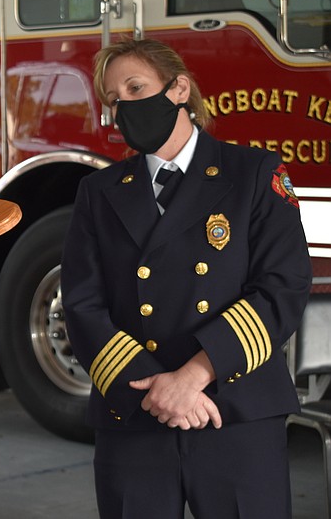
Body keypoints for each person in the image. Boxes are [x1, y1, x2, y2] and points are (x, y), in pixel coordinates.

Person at [61, 38, 312, 519]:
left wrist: (193, 377)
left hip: (232, 407)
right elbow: (82, 304)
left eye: (137, 88)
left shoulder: (254, 173)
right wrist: (157, 391)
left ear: (179, 89)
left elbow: (283, 286)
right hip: (136, 411)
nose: (124, 106)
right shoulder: (98, 192)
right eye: (115, 99)